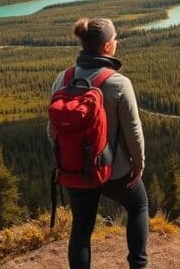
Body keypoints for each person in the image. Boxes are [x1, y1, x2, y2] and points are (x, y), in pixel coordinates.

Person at [50, 17, 148, 269]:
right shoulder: (118, 83)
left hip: (76, 171)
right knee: (138, 205)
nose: (117, 42)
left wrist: (66, 162)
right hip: (114, 172)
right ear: (106, 47)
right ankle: (138, 265)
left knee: (81, 229)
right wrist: (138, 164)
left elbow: (53, 130)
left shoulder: (63, 79)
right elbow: (133, 131)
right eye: (115, 38)